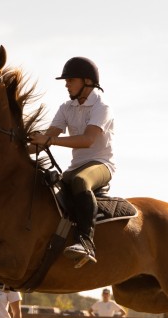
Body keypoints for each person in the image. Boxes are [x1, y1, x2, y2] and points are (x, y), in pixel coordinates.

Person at [27, 57, 114, 266]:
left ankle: (86, 242)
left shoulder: (101, 107)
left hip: (101, 165)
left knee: (80, 182)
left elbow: (87, 140)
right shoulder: (66, 107)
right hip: (76, 168)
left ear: (87, 81)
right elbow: (45, 139)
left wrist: (49, 140)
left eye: (70, 80)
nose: (66, 85)